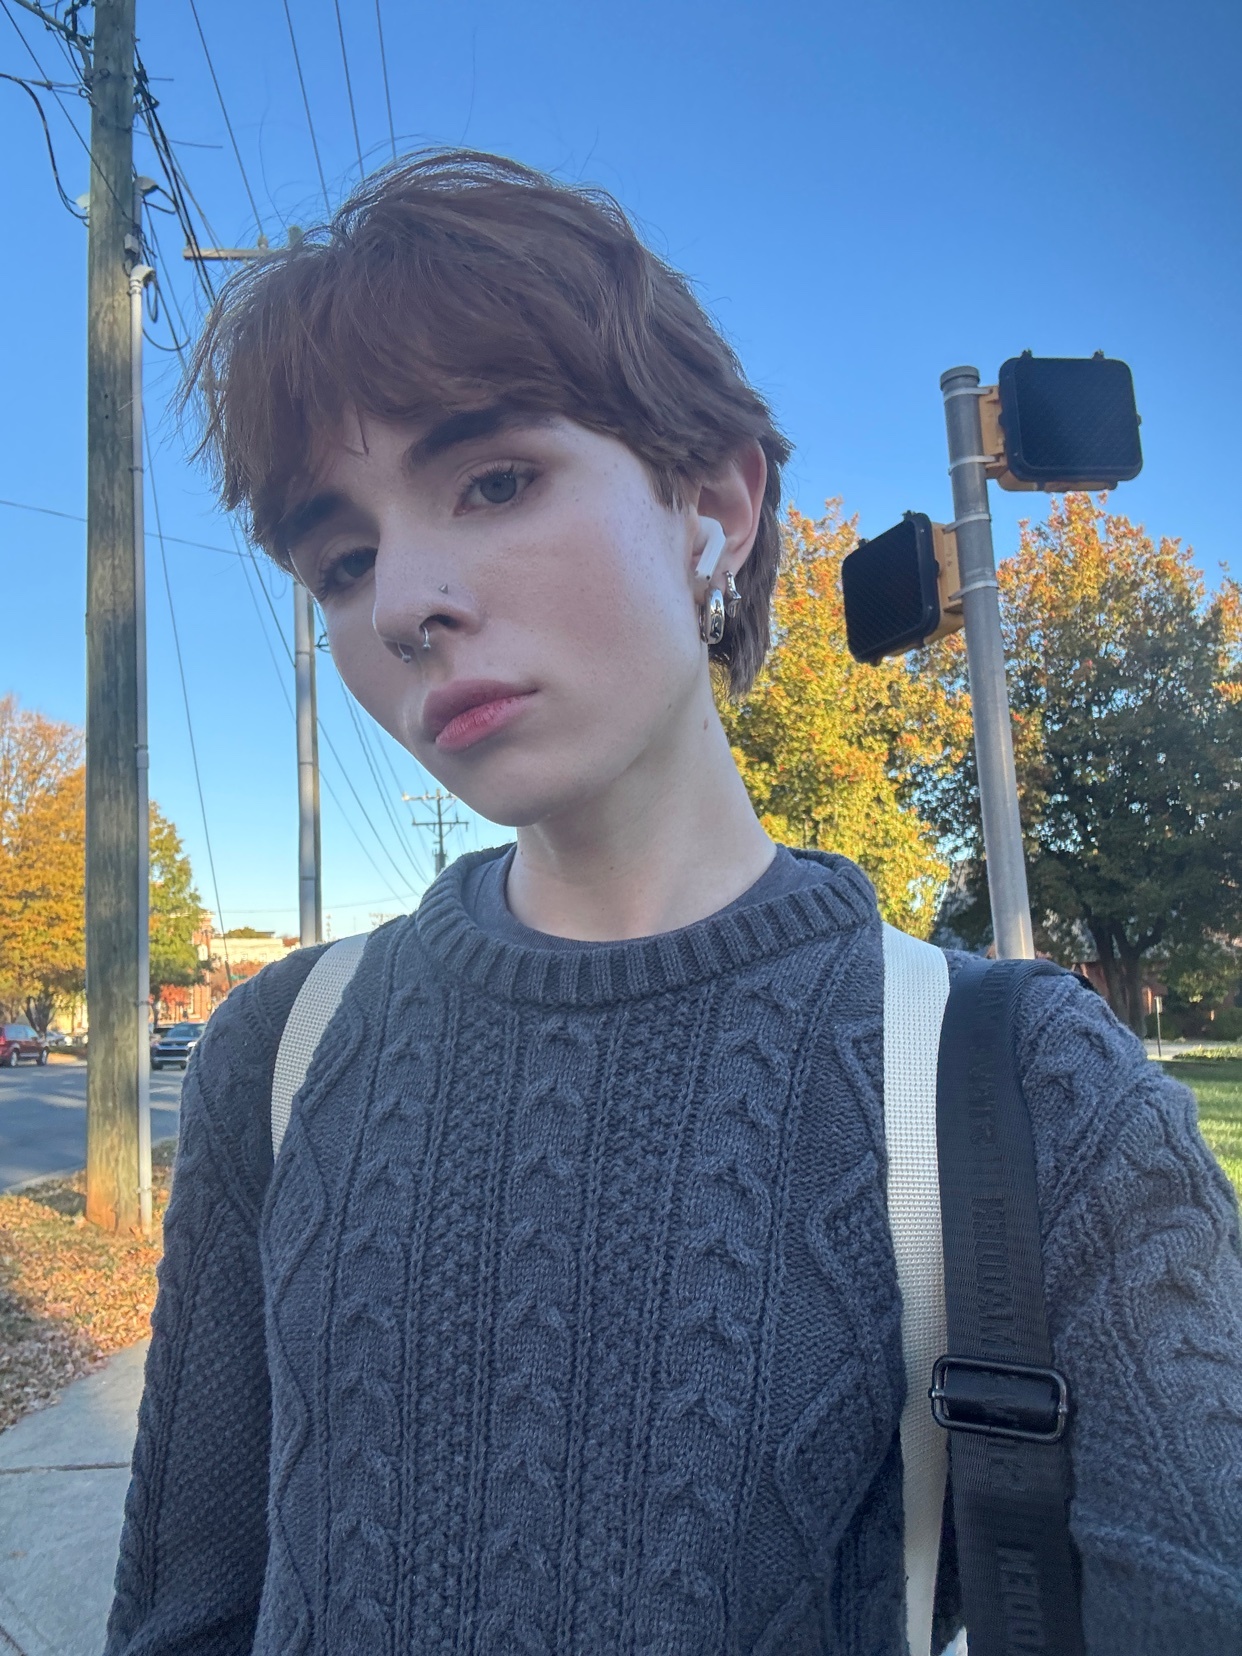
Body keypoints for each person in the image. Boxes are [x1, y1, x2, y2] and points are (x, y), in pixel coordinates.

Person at [105, 151, 1242, 1655]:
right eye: (344, 559)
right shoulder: (278, 1051)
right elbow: (189, 1615)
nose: (403, 605)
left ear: (713, 503)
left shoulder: (1028, 1087)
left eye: (494, 481)